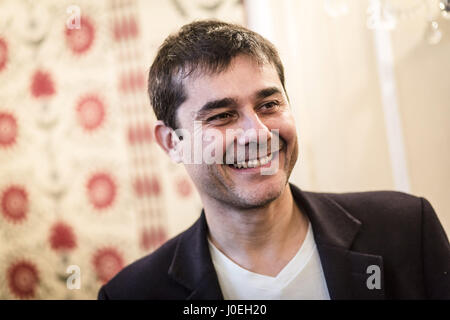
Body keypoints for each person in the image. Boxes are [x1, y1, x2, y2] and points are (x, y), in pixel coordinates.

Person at [98, 20, 449, 300]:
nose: (259, 134)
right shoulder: (134, 293)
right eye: (222, 115)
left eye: (269, 105)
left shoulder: (406, 229)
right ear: (172, 142)